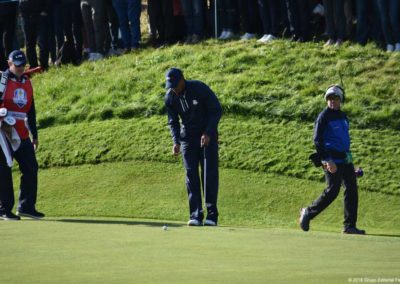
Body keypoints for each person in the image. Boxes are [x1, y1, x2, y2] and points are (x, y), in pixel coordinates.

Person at [299, 85, 365, 235]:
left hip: (345, 160)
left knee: (352, 190)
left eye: (335, 98)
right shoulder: (324, 116)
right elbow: (317, 140)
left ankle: (349, 226)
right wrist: (327, 160)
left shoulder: (343, 117)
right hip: (331, 159)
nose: (332, 101)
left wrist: (351, 166)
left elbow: (344, 140)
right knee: (332, 191)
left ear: (340, 100)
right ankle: (308, 212)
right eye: (329, 98)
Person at [164, 68, 222, 226]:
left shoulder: (199, 88)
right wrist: (176, 141)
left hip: (207, 136)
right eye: (171, 85)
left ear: (182, 79)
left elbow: (216, 110)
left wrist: (209, 132)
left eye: (175, 84)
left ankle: (212, 215)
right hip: (187, 138)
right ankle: (195, 215)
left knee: (208, 174)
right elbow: (173, 122)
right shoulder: (170, 97)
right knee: (191, 174)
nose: (173, 88)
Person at [0, 50, 44, 220]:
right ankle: (4, 208)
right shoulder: (2, 79)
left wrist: (35, 134)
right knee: (4, 168)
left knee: (31, 167)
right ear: (9, 63)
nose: (19, 68)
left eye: (22, 65)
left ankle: (26, 206)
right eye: (16, 65)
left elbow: (31, 111)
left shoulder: (27, 82)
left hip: (21, 131)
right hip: (4, 131)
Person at [0, 0, 19, 71]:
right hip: (10, 5)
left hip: (10, 5)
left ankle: (6, 66)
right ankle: (10, 65)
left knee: (8, 38)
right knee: (9, 38)